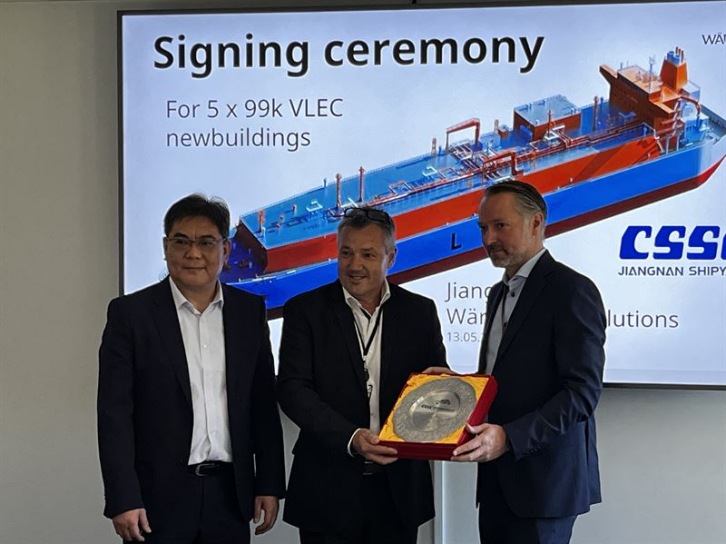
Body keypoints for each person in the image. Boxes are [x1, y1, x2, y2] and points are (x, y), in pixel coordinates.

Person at [97, 194, 285, 543]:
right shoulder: (131, 315)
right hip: (155, 498)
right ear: (165, 247)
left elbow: (261, 404)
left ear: (225, 250)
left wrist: (269, 483)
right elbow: (114, 413)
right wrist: (123, 497)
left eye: (206, 242)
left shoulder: (248, 313)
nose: (193, 253)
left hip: (230, 495)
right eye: (181, 242)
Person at [432, 179, 606, 543]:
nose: (489, 239)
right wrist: (458, 387)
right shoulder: (498, 292)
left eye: (500, 226)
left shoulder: (571, 290)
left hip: (545, 486)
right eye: (483, 228)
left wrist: (509, 437)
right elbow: (504, 377)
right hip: (496, 480)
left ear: (536, 222)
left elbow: (582, 393)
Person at [277, 206, 448, 544]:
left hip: (399, 491)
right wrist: (351, 437)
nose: (355, 265)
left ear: (391, 257)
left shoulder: (419, 312)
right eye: (346, 253)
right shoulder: (304, 310)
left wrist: (446, 391)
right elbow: (292, 390)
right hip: (326, 490)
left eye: (368, 255)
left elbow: (433, 386)